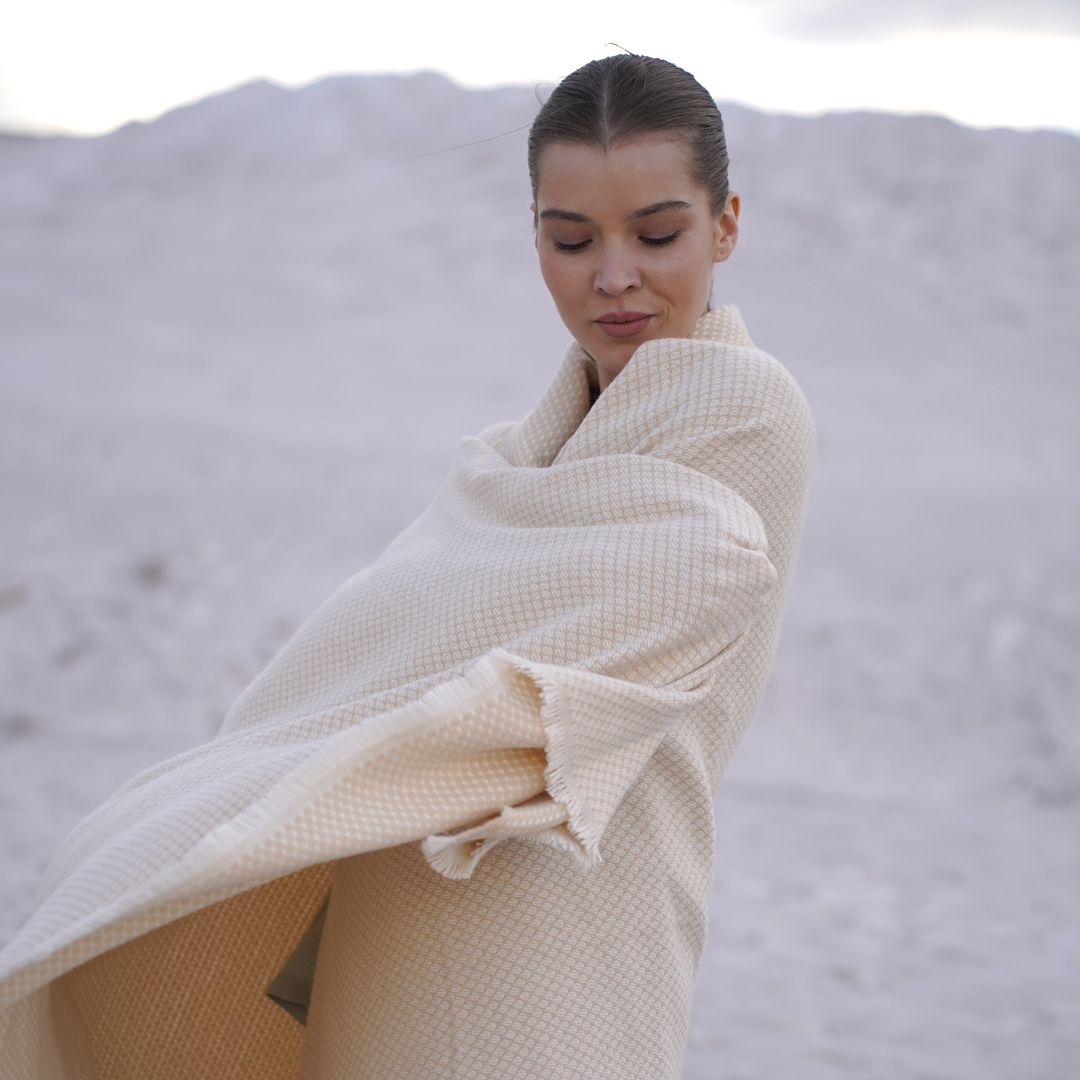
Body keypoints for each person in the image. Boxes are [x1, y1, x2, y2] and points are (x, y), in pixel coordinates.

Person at [0, 55, 814, 1080]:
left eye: (656, 235)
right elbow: (371, 655)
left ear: (726, 225)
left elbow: (661, 587)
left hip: (573, 925)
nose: (613, 275)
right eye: (571, 239)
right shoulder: (517, 460)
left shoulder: (747, 412)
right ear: (534, 236)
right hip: (404, 899)